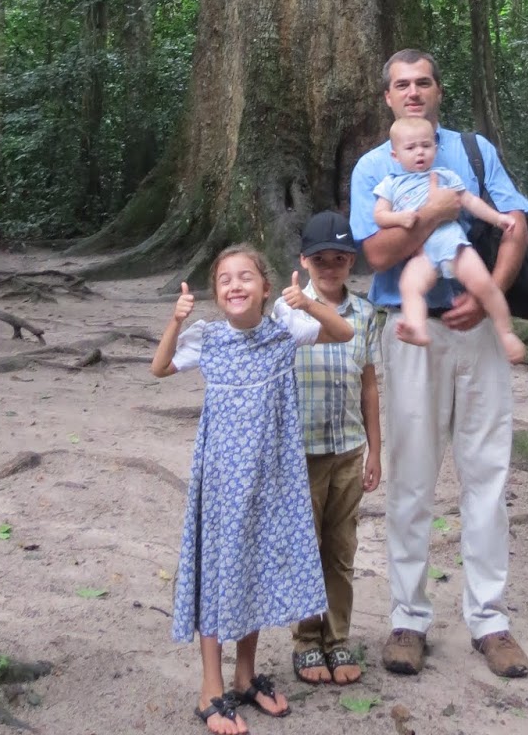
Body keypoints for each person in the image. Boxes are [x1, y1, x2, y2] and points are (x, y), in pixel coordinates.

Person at [349, 50, 528, 682]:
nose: (413, 92)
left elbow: (515, 225)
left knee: (487, 472)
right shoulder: (374, 165)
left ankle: (490, 620)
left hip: (477, 331)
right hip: (412, 331)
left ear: (437, 90)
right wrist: (433, 213)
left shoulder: (473, 151)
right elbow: (377, 254)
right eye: (401, 84)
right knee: (411, 477)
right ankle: (409, 618)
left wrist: (490, 298)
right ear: (387, 97)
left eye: (422, 82)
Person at [151, 244, 353, 735]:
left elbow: (344, 332)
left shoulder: (285, 330)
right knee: (218, 574)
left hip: (270, 481)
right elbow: (159, 367)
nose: (235, 286)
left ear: (265, 288)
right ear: (216, 294)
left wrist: (308, 303)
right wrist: (176, 321)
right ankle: (210, 689)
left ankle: (245, 677)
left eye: (245, 277)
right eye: (224, 280)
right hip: (221, 484)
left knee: (255, 572)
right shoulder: (209, 338)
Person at [289, 211, 382, 688]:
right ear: (304, 261)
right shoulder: (286, 311)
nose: (330, 267)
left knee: (342, 548)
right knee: (304, 547)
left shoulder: (364, 313)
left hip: (347, 448)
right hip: (300, 451)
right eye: (320, 259)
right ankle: (306, 639)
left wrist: (375, 450)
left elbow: (369, 385)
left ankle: (337, 636)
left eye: (340, 259)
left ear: (352, 262)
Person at [373, 116, 527, 361]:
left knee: (484, 284)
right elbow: (380, 216)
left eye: (426, 145)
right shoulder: (390, 184)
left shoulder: (445, 176)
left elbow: (471, 202)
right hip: (423, 255)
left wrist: (498, 219)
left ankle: (505, 332)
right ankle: (417, 328)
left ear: (435, 148)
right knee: (409, 286)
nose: (419, 152)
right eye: (410, 148)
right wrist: (400, 218)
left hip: (454, 246)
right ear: (395, 155)